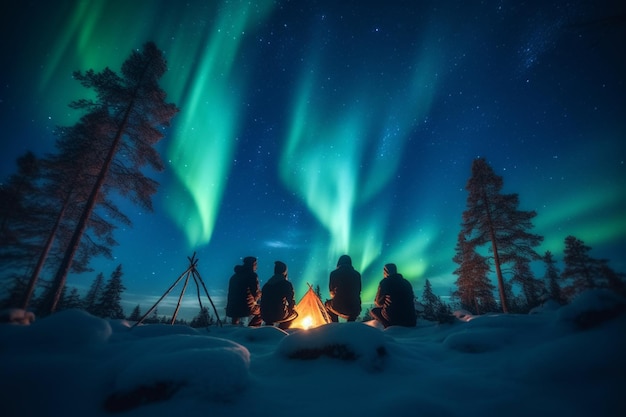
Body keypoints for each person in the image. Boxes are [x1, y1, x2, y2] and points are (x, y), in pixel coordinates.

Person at [370, 263, 417, 328]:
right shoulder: (406, 282)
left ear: (385, 272)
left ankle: (389, 326)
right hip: (411, 320)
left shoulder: (385, 282)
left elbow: (378, 302)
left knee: (374, 311)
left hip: (395, 319)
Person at [260, 261, 298, 330]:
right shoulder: (286, 284)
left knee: (270, 314)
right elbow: (291, 301)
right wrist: (292, 308)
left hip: (264, 315)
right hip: (277, 315)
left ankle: (268, 329)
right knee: (294, 314)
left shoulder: (267, 285)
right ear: (284, 271)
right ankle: (282, 330)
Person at [225, 256, 262, 327]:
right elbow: (256, 294)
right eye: (256, 264)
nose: (256, 267)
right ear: (253, 264)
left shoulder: (234, 277)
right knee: (262, 311)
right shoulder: (252, 275)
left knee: (237, 311)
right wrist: (262, 293)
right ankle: (252, 329)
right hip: (245, 308)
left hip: (231, 308)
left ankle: (234, 326)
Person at [325, 254, 361, 322]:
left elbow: (331, 291)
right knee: (352, 311)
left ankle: (334, 325)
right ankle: (350, 323)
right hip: (355, 308)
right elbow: (358, 291)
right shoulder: (357, 274)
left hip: (339, 306)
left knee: (327, 304)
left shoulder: (334, 273)